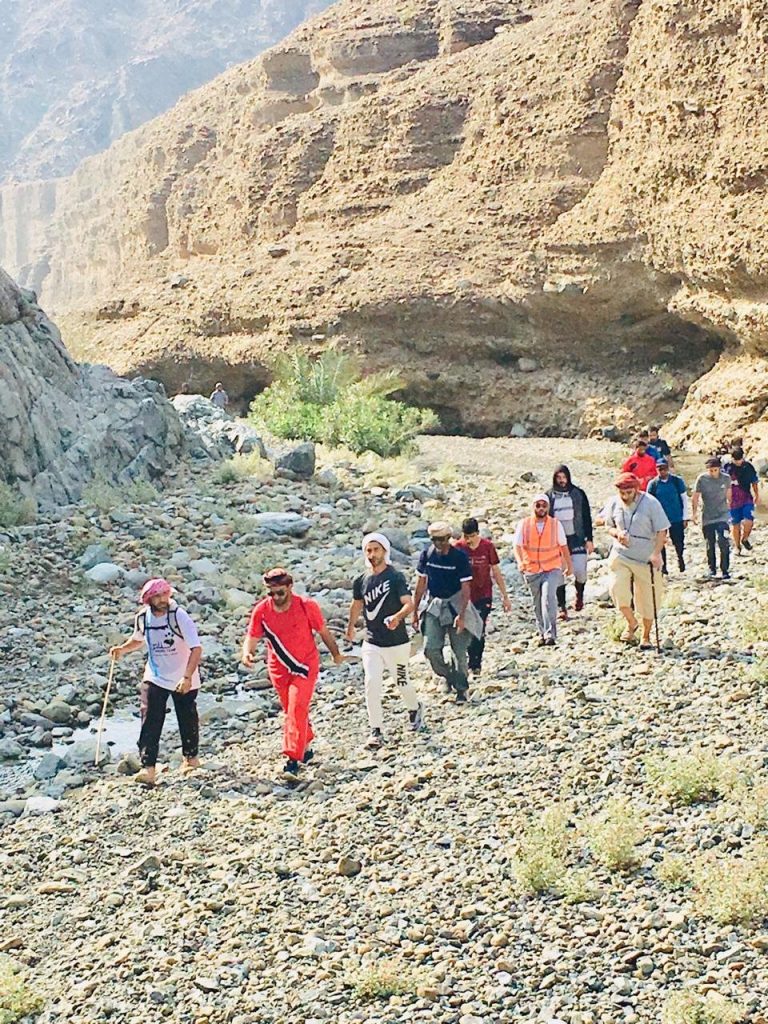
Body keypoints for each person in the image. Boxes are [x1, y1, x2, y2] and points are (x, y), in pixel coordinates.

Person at [242, 568, 344, 774]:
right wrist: (247, 653)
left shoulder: (306, 606)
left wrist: (336, 654)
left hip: (305, 666)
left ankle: (292, 758)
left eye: (280, 592)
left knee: (297, 707)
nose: (276, 597)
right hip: (278, 668)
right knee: (291, 709)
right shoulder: (262, 611)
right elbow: (251, 637)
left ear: (290, 587)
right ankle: (305, 745)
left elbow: (323, 632)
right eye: (271, 593)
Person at [109, 578, 203, 787]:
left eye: (165, 595)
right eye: (157, 596)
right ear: (148, 600)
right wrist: (122, 649)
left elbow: (196, 648)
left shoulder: (179, 616)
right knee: (150, 717)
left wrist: (187, 677)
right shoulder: (143, 618)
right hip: (156, 675)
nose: (162, 600)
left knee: (187, 716)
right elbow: (138, 639)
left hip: (183, 674)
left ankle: (191, 758)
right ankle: (148, 767)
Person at [347, 533, 423, 749]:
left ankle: (415, 708)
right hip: (372, 642)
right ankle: (376, 730)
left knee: (401, 681)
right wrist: (351, 627)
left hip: (397, 642)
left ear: (385, 551)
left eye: (376, 550)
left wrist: (397, 617)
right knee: (371, 683)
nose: (372, 555)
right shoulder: (361, 580)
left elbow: (408, 603)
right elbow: (357, 604)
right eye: (368, 550)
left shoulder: (395, 577)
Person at [412, 522, 483, 703]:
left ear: (449, 538)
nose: (439, 544)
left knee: (458, 650)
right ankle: (449, 676)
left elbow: (465, 587)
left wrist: (462, 615)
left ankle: (462, 689)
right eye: (435, 540)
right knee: (430, 649)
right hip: (435, 604)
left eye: (442, 540)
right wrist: (415, 611)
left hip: (456, 602)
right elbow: (420, 584)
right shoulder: (427, 556)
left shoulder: (459, 557)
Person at [604, 473, 669, 648]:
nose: (625, 496)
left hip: (645, 557)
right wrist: (617, 533)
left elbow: (662, 530)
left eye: (629, 492)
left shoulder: (651, 503)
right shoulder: (614, 503)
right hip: (621, 554)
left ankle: (646, 636)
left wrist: (656, 554)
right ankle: (631, 622)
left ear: (636, 489)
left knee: (648, 598)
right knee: (617, 589)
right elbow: (608, 525)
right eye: (622, 493)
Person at [454, 517, 511, 678]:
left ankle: (476, 664)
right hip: (464, 596)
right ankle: (469, 661)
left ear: (478, 533)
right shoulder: (458, 548)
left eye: (472, 536)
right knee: (467, 629)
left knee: (479, 627)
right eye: (466, 536)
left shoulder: (487, 547)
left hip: (483, 593)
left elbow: (496, 571)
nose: (469, 540)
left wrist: (505, 596)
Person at [513, 495, 574, 646]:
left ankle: (550, 634)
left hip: (552, 568)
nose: (541, 508)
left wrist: (569, 565)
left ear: (548, 507)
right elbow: (517, 545)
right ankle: (542, 632)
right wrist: (520, 562)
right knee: (537, 602)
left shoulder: (555, 524)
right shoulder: (524, 524)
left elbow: (563, 546)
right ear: (533, 506)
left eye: (544, 505)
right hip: (532, 569)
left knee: (548, 598)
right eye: (538, 505)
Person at [546, 466, 594, 617]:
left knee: (580, 571)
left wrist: (589, 539)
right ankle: (562, 607)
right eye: (559, 478)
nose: (562, 481)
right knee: (559, 573)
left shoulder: (578, 494)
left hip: (576, 537)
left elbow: (586, 517)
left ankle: (579, 594)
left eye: (564, 477)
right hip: (557, 541)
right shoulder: (549, 496)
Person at [692, 458, 732, 579]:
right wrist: (694, 514)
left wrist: (731, 510)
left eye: (715, 470)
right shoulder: (702, 479)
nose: (713, 472)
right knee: (710, 543)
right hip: (708, 516)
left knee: (723, 541)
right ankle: (712, 569)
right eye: (711, 470)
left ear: (719, 469)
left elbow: (729, 495)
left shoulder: (726, 478)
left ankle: (725, 570)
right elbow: (695, 496)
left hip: (722, 516)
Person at [647, 459, 688, 574]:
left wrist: (685, 517)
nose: (662, 471)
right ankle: (663, 566)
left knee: (678, 541)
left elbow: (684, 499)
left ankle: (680, 558)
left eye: (664, 468)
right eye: (660, 469)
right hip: (660, 518)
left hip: (676, 516)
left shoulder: (677, 481)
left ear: (668, 468)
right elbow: (649, 502)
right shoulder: (653, 484)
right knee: (660, 542)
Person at [723, 447, 759, 554]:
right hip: (732, 499)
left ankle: (745, 538)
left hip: (746, 497)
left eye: (740, 459)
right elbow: (722, 483)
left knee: (749, 520)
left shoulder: (748, 467)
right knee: (735, 524)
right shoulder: (727, 467)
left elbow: (754, 481)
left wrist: (756, 494)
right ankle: (737, 546)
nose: (738, 462)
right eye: (736, 460)